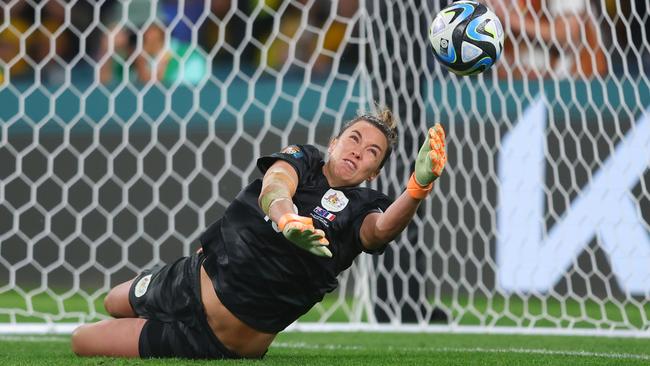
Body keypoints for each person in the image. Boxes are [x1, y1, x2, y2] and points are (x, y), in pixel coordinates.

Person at [70, 107, 447, 359]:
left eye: (372, 152)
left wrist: (417, 188)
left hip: (216, 343)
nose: (358, 151)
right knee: (112, 302)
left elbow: (379, 232)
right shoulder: (304, 157)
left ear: (374, 172)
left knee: (82, 342)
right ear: (334, 142)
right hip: (187, 280)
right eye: (354, 138)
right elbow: (276, 186)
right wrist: (286, 220)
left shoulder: (364, 205)